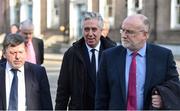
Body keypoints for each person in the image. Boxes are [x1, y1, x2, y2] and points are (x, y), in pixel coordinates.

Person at [95, 14, 180, 110]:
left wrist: (163, 99)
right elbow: (101, 97)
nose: (124, 35)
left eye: (130, 32)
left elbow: (175, 87)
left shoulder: (163, 56)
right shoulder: (109, 56)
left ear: (145, 34)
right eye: (123, 30)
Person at [55, 11, 116, 110]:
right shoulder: (71, 54)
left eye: (94, 29)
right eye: (86, 29)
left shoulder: (112, 53)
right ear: (82, 30)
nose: (90, 34)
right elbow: (63, 90)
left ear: (101, 30)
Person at [0, 33, 53, 110]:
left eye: (21, 52)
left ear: (26, 52)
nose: (17, 57)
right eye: (13, 53)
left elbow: (46, 105)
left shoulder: (38, 72)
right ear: (4, 53)